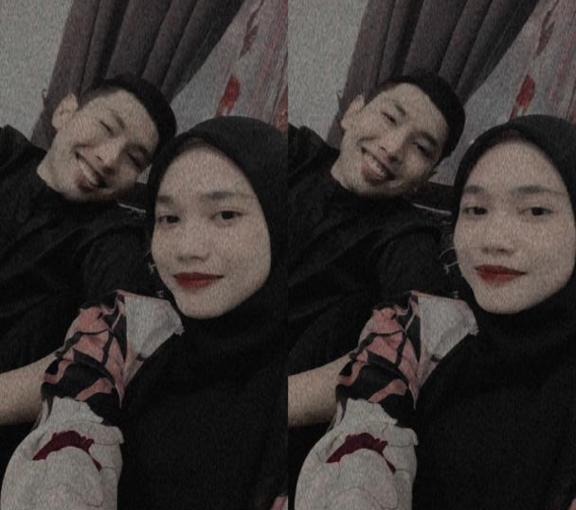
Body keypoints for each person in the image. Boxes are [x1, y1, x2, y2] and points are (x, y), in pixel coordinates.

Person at [1, 116, 287, 510]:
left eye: (225, 215)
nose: (188, 249)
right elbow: (67, 437)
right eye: (169, 219)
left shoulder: (314, 361)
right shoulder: (130, 328)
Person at [295, 114, 576, 510]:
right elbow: (359, 452)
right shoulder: (418, 327)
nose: (494, 240)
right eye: (476, 210)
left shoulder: (404, 240)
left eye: (535, 211)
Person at [287, 71, 465, 495]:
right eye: (389, 117)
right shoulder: (293, 154)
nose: (393, 147)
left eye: (421, 148)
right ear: (353, 111)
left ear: (429, 173)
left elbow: (416, 352)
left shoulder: (406, 237)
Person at [0, 74, 176, 480]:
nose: (110, 158)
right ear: (65, 112)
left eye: (134, 159)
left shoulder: (113, 238)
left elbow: (112, 353)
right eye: (106, 127)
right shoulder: (6, 152)